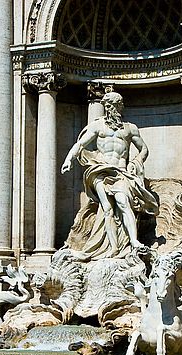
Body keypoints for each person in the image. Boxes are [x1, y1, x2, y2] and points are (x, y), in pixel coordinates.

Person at [61, 91, 159, 260]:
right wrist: (69, 159)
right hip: (100, 170)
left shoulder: (130, 128)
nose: (114, 108)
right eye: (111, 105)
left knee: (123, 202)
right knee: (106, 209)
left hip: (120, 171)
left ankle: (133, 241)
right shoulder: (97, 126)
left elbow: (144, 149)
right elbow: (80, 144)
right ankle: (113, 247)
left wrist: (135, 163)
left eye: (116, 105)